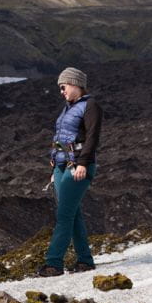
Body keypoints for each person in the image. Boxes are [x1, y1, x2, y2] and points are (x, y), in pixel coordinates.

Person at [37, 67, 102, 276]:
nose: (61, 91)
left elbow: (92, 137)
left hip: (77, 166)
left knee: (64, 215)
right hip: (61, 165)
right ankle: (85, 260)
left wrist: (83, 163)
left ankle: (54, 263)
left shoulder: (90, 106)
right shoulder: (68, 107)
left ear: (75, 84)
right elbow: (60, 136)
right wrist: (54, 163)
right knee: (73, 215)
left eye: (63, 87)